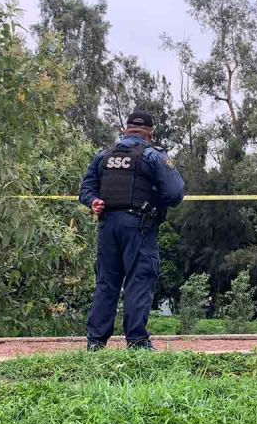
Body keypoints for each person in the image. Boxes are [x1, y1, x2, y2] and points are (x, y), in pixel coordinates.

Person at [78, 110, 185, 350]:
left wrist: (93, 201)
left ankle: (95, 343)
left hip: (108, 226)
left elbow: (86, 189)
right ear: (150, 134)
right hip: (139, 226)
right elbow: (175, 193)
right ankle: (137, 342)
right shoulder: (153, 155)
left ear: (125, 130)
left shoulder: (104, 156)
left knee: (106, 282)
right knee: (139, 280)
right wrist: (156, 203)